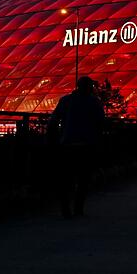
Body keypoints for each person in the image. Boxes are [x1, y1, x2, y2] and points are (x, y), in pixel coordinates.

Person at [48, 76, 105, 218]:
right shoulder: (94, 102)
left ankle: (65, 209)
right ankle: (78, 209)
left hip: (67, 145)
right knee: (83, 179)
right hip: (87, 145)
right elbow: (101, 123)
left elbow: (54, 119)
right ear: (89, 87)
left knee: (66, 179)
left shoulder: (66, 100)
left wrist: (54, 138)